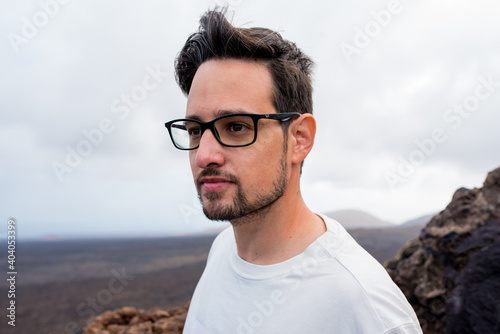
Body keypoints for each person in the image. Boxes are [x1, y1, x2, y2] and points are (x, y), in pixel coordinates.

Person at [165, 8, 423, 334]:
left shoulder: (364, 306)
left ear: (299, 139)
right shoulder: (223, 249)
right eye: (194, 130)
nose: (204, 155)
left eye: (236, 127)